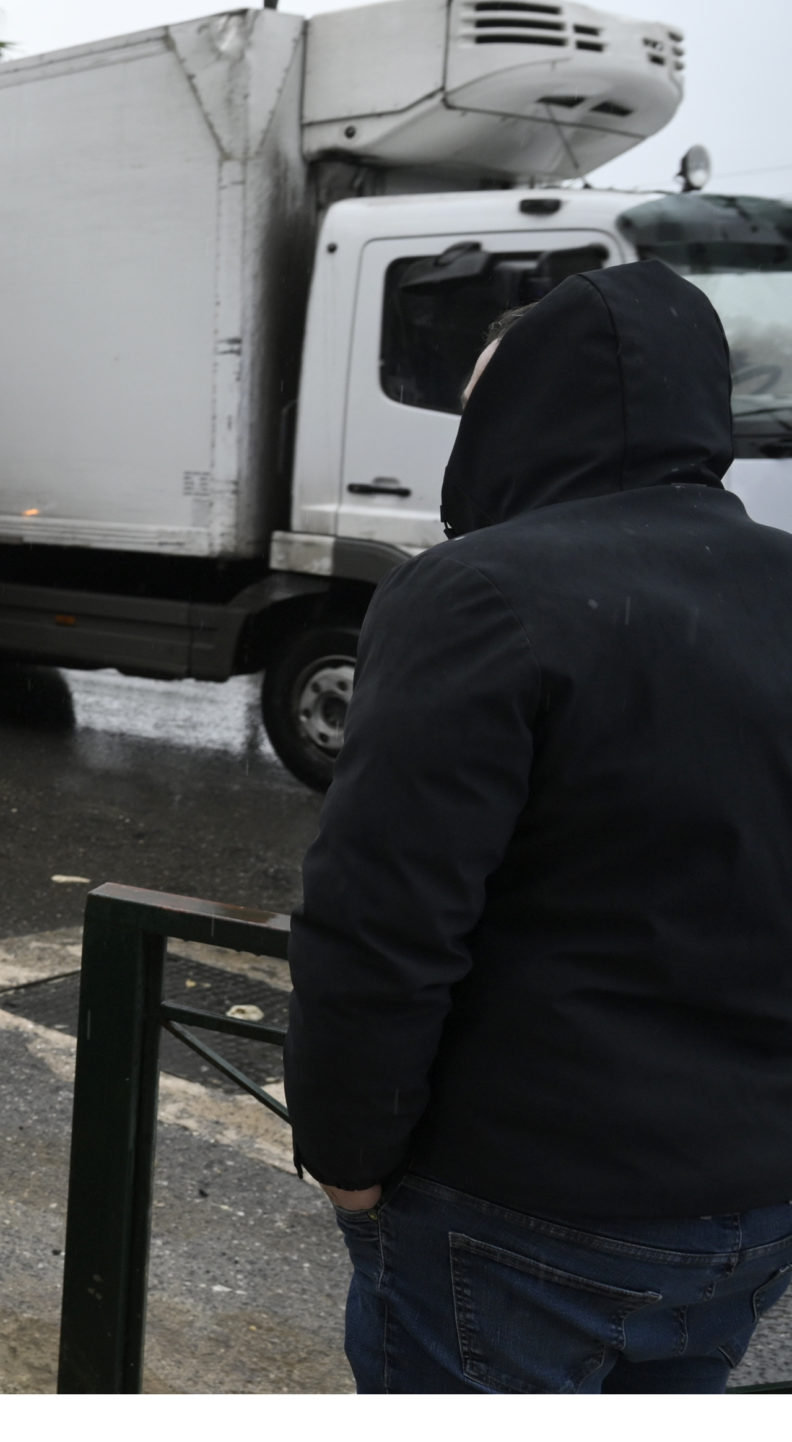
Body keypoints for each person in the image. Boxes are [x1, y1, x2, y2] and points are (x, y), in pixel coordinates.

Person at [287, 259, 792, 1394]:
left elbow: (378, 919)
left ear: (528, 410)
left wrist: (345, 1155)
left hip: (524, 1204)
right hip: (751, 1206)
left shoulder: (478, 591)